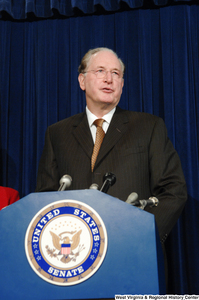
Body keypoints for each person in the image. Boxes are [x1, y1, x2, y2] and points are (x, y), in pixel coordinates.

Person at [35, 47, 187, 246]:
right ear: (82, 81)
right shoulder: (57, 133)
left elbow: (173, 191)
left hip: (134, 251)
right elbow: (45, 198)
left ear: (122, 84)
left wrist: (143, 236)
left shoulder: (148, 127)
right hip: (76, 257)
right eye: (100, 71)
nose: (109, 79)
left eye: (115, 73)